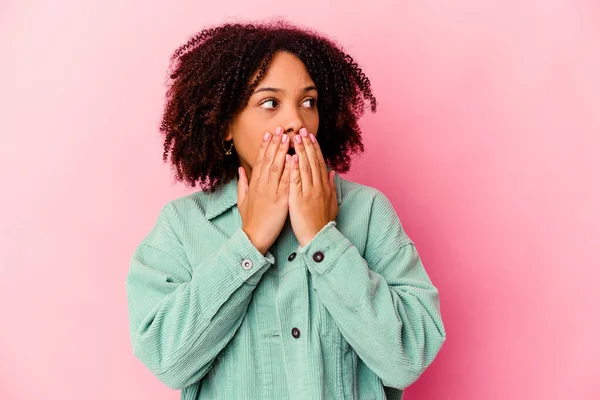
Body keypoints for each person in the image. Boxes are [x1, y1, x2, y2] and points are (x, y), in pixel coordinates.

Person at [126, 20, 446, 400]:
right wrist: (251, 240)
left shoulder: (369, 212)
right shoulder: (182, 225)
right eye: (270, 103)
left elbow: (408, 359)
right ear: (226, 124)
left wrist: (322, 239)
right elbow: (168, 361)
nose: (296, 121)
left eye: (308, 102)